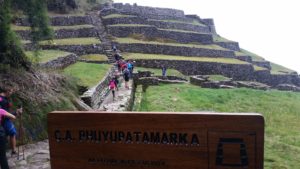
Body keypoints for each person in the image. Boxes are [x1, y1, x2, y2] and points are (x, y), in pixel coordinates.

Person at [0, 87, 22, 155]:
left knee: (8, 134)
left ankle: (12, 150)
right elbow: (3, 112)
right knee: (12, 132)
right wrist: (15, 113)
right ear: (7, 91)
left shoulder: (6, 98)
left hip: (5, 119)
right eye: (11, 91)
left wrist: (16, 112)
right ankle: (12, 150)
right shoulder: (1, 99)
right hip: (4, 119)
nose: (11, 93)